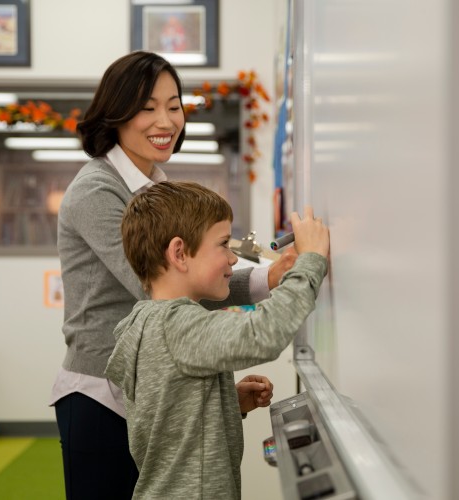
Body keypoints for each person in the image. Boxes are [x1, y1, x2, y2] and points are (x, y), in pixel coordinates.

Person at [50, 51, 296, 499]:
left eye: (174, 104)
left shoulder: (154, 187)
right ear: (116, 114)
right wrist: (272, 280)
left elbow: (192, 274)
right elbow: (166, 283)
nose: (165, 120)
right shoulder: (96, 190)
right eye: (147, 107)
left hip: (151, 387)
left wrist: (273, 274)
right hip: (101, 395)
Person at [105, 181, 330, 499]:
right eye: (223, 245)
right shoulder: (177, 327)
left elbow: (168, 418)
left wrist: (225, 403)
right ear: (180, 253)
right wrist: (311, 260)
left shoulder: (143, 324)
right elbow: (265, 333)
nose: (233, 259)